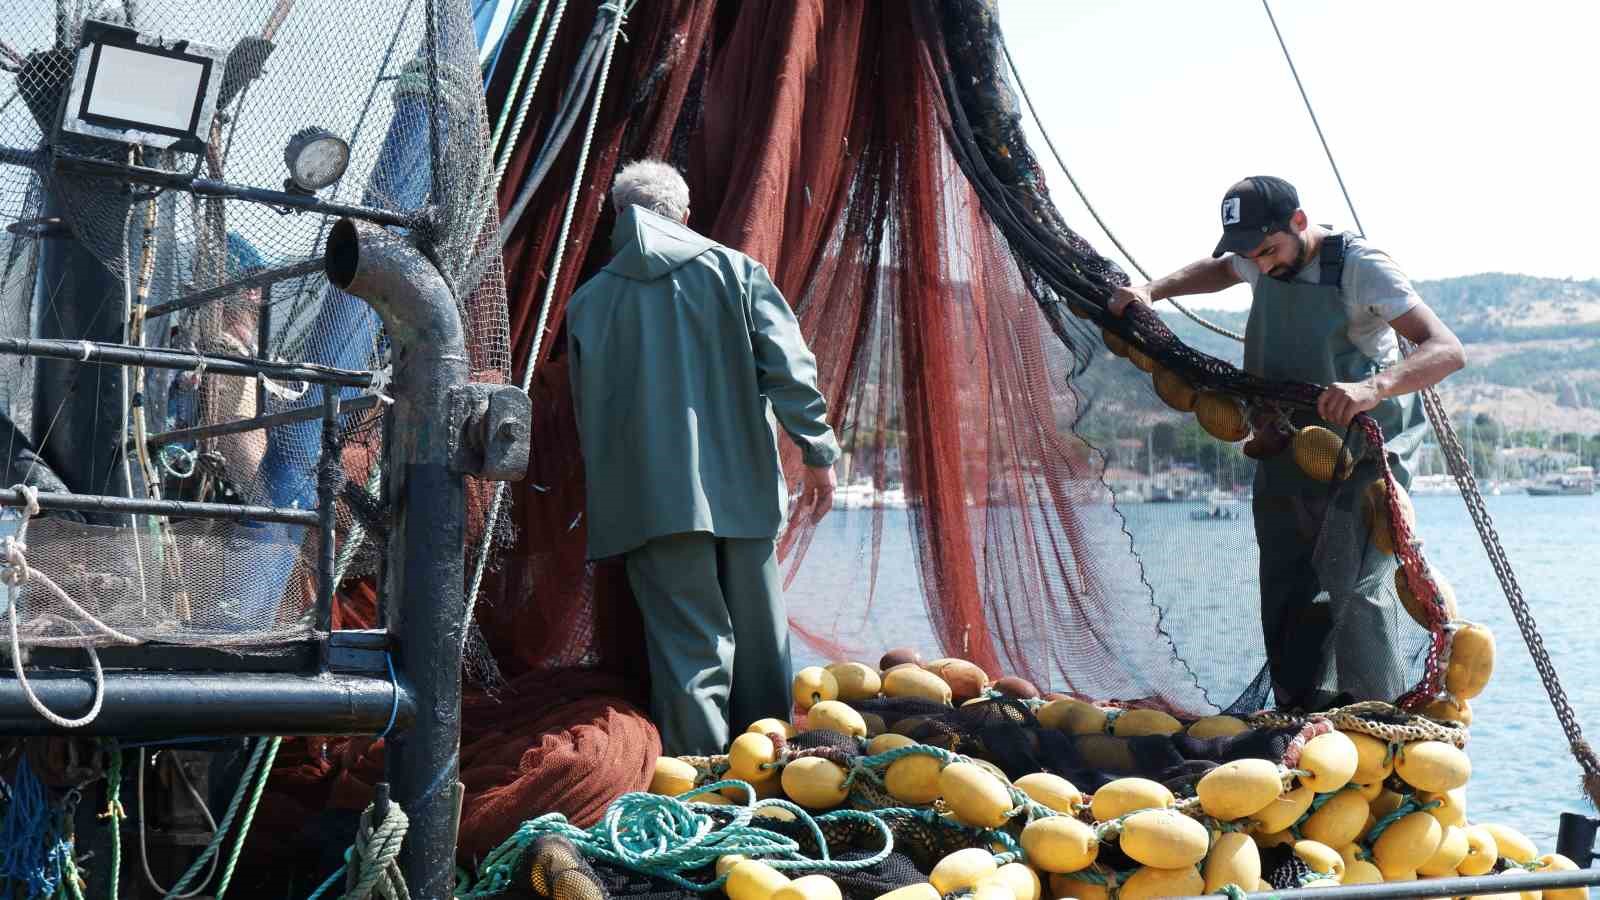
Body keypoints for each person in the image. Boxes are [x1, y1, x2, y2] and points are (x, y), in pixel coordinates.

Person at [1109, 175, 1466, 709]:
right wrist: (1151, 290)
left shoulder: (1361, 268)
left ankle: (1378, 721)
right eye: (1251, 252)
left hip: (1363, 453)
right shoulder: (1256, 253)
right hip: (1284, 439)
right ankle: (1303, 712)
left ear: (1299, 222)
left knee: (1358, 587)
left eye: (1269, 249)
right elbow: (1219, 271)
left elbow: (1447, 349)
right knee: (1287, 583)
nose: (1262, 263)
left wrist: (1373, 387)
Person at [566, 160, 841, 755]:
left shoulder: (588, 303)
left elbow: (590, 421)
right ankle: (775, 771)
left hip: (652, 506)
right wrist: (818, 452)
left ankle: (707, 787)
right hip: (743, 492)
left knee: (690, 651)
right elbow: (790, 371)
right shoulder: (736, 272)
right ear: (686, 217)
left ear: (617, 219)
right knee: (763, 645)